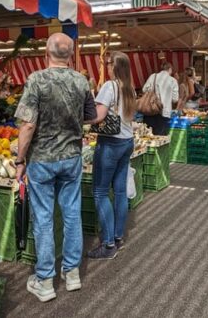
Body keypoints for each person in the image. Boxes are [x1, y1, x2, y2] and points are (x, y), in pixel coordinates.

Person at [13, 33, 97, 303]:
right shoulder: (81, 80)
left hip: (42, 160)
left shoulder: (36, 79)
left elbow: (27, 124)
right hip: (72, 157)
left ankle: (45, 280)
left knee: (44, 218)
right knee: (72, 214)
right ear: (71, 55)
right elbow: (91, 116)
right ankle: (72, 274)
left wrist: (19, 160)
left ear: (46, 53)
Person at [87, 52, 137, 260]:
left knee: (99, 191)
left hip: (110, 143)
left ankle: (107, 245)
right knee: (119, 191)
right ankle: (117, 238)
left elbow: (98, 116)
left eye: (107, 63)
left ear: (114, 67)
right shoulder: (129, 88)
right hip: (127, 141)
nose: (105, 66)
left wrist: (80, 118)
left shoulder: (110, 86)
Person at [141, 62, 179, 135]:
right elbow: (175, 99)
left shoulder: (153, 76)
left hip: (150, 110)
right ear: (170, 69)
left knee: (148, 136)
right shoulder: (173, 81)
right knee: (160, 137)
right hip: (164, 112)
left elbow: (144, 90)